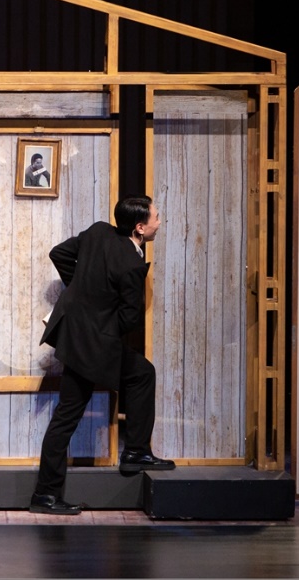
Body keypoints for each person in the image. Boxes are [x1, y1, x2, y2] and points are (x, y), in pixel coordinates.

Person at [30, 195, 175, 515]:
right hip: (92, 346)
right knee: (72, 414)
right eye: (156, 217)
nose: (159, 222)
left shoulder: (98, 231)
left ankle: (49, 492)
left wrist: (83, 289)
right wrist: (100, 313)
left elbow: (59, 253)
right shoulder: (132, 264)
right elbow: (129, 318)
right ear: (140, 228)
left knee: (138, 374)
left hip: (76, 338)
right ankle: (48, 494)